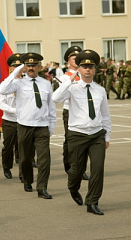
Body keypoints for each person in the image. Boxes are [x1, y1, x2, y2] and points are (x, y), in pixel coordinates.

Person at [52, 49, 111, 215]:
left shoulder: (99, 90)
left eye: (91, 67)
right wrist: (69, 80)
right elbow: (56, 99)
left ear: (95, 69)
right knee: (76, 170)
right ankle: (73, 187)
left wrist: (107, 135)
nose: (88, 70)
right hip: (77, 134)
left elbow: (105, 115)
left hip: (97, 135)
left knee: (98, 168)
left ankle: (92, 202)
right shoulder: (72, 88)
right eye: (84, 67)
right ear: (79, 69)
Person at [0, 52, 57, 199]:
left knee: (44, 159)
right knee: (25, 158)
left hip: (42, 126)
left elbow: (51, 107)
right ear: (25, 67)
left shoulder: (46, 83)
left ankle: (42, 187)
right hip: (24, 126)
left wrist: (51, 127)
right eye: (28, 65)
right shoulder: (18, 83)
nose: (31, 68)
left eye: (34, 65)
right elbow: (2, 89)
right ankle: (27, 180)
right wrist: (15, 72)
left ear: (39, 66)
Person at [58, 46, 89, 180]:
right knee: (70, 139)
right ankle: (70, 166)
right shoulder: (64, 77)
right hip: (70, 111)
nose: (76, 60)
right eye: (73, 58)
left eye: (78, 58)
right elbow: (62, 95)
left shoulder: (85, 74)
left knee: (84, 140)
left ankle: (81, 168)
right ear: (68, 61)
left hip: (84, 110)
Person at [0, 53, 22, 179]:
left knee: (23, 146)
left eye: (20, 66)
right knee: (8, 146)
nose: (17, 69)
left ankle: (23, 171)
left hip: (23, 120)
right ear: (11, 68)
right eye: (15, 66)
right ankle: (7, 167)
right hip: (9, 120)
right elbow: (1, 103)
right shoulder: (6, 84)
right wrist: (13, 110)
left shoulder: (26, 82)